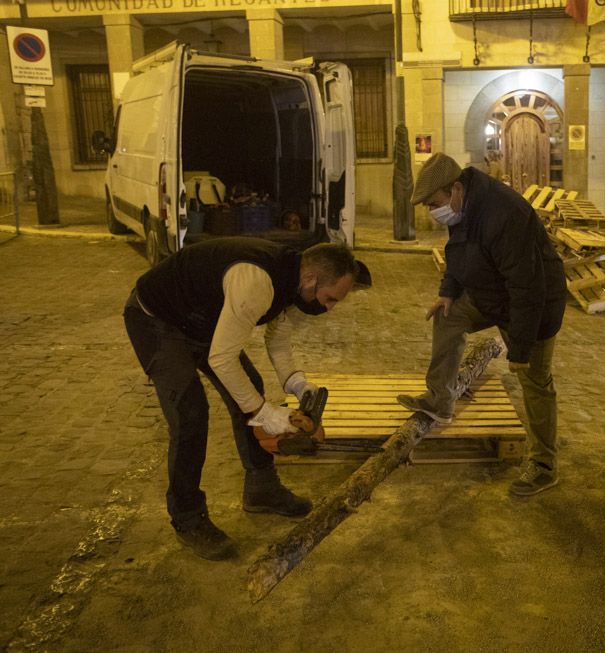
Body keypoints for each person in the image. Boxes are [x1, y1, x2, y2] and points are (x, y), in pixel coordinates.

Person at [123, 237, 371, 560]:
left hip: (198, 321)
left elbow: (278, 340)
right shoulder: (258, 283)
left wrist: (297, 384)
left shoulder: (292, 280)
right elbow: (222, 361)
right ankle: (187, 517)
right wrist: (265, 414)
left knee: (249, 383)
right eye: (330, 299)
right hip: (155, 319)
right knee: (191, 412)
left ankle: (261, 488)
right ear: (311, 279)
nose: (329, 307)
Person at [401, 153, 567, 496]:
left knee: (534, 381)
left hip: (534, 306)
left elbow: (527, 286)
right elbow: (457, 251)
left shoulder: (505, 214)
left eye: (434, 203)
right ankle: (440, 400)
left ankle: (544, 464)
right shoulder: (462, 207)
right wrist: (449, 292)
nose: (434, 211)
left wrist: (519, 348)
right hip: (491, 294)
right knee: (448, 317)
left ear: (456, 189)